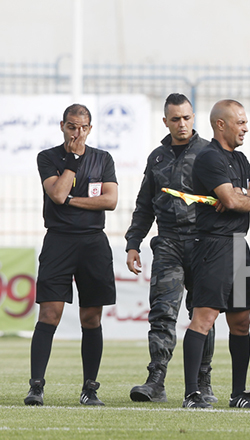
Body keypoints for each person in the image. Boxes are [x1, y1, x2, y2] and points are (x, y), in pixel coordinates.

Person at [180, 99, 250, 409]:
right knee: (203, 319)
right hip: (212, 244)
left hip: (238, 244)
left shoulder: (241, 159)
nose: (246, 127)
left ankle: (238, 395)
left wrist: (240, 196)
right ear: (221, 124)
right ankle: (192, 394)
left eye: (246, 122)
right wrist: (249, 201)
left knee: (241, 322)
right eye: (241, 122)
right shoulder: (209, 157)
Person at [125, 93, 217, 403]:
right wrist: (133, 243)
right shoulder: (157, 157)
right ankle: (156, 380)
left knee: (202, 314)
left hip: (205, 243)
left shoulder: (210, 153)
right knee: (162, 313)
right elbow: (144, 205)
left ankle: (203, 382)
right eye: (175, 119)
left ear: (194, 118)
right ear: (165, 121)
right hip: (168, 244)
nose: (182, 124)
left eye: (186, 118)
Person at [25, 104, 118, 406]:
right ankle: (36, 386)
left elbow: (111, 200)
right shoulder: (48, 158)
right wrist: (73, 160)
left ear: (90, 128)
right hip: (59, 242)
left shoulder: (103, 159)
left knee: (91, 316)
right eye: (72, 126)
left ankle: (89, 389)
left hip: (93, 243)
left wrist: (72, 201)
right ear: (62, 125)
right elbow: (56, 193)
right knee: (49, 313)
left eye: (83, 127)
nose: (77, 133)